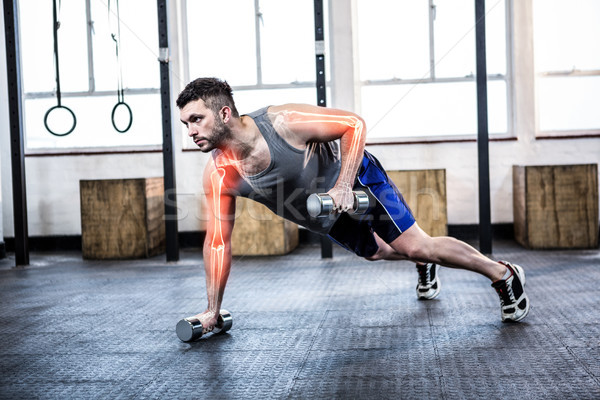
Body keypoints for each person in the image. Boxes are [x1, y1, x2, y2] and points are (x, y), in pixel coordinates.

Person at [176, 77, 530, 333]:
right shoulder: (219, 174)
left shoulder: (282, 123)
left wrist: (344, 185)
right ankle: (422, 263)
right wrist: (212, 310)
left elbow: (352, 124)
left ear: (224, 113)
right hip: (322, 214)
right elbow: (218, 242)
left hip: (355, 178)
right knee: (376, 252)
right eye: (185, 123)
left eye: (196, 119)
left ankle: (503, 274)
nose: (190, 131)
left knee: (416, 243)